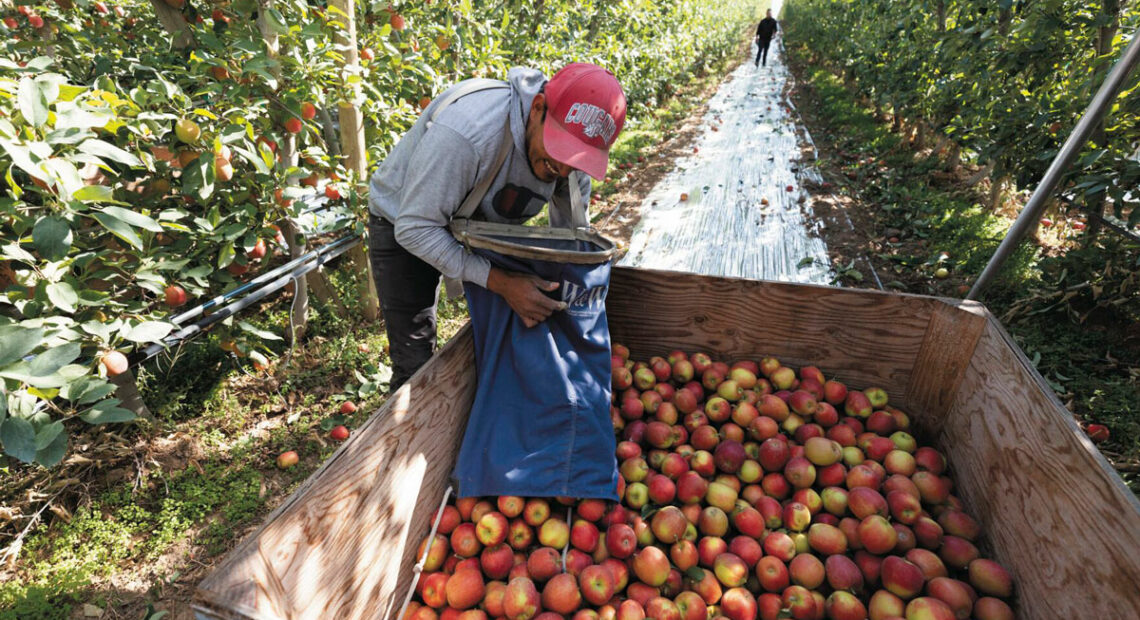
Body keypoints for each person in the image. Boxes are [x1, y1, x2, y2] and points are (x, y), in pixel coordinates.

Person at [367, 64, 627, 390]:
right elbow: (415, 227)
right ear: (537, 109)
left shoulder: (568, 166)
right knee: (415, 362)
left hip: (477, 222)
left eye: (576, 158)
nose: (563, 168)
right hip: (405, 220)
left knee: (504, 336)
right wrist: (499, 281)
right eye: (559, 150)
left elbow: (569, 243)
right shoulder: (469, 134)